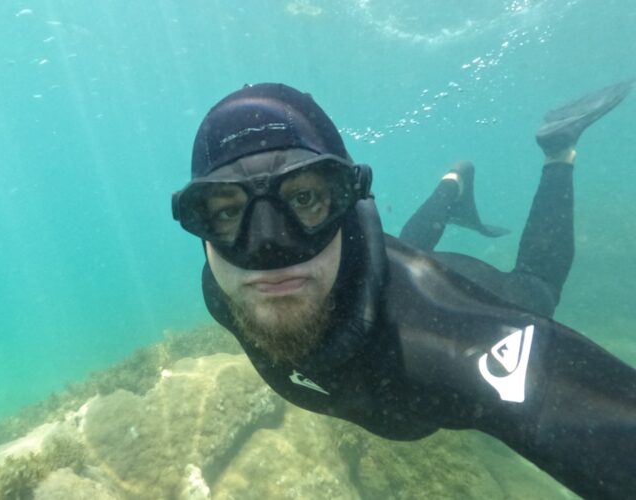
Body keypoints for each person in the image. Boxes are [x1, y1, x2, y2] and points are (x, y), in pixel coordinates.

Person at [171, 81, 636, 498]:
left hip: (443, 286)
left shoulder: (451, 337)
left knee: (537, 286)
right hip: (365, 274)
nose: (270, 250)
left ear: (347, 201)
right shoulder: (225, 291)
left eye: (305, 198)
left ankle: (559, 152)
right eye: (227, 213)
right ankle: (451, 188)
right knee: (398, 253)